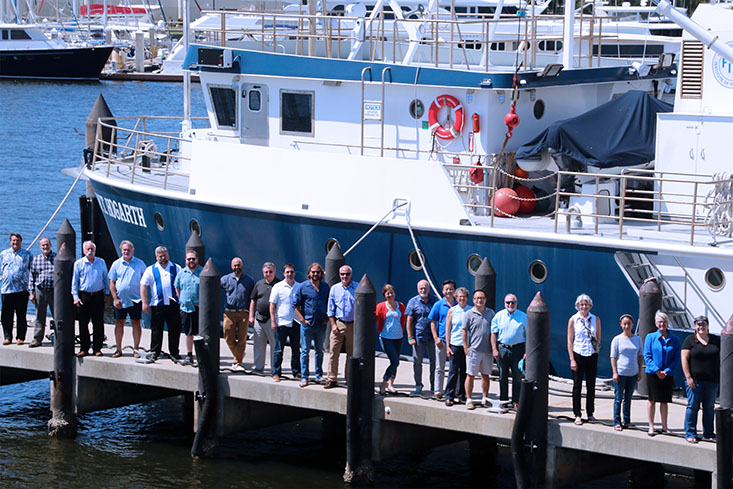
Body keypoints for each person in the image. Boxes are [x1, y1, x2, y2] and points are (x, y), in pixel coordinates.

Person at [681, 315, 719, 443]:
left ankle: (708, 433)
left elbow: (721, 358)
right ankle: (690, 433)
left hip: (712, 381)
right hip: (695, 381)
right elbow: (684, 359)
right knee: (693, 406)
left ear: (707, 326)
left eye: (703, 324)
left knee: (709, 407)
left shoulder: (715, 340)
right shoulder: (690, 340)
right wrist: (688, 377)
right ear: (695, 326)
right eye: (698, 324)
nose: (701, 327)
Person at [141, 246, 182, 362]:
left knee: (174, 329)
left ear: (168, 255)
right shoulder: (150, 269)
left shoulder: (176, 268)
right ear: (156, 257)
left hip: (173, 304)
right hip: (157, 304)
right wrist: (144, 302)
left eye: (165, 255)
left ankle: (174, 352)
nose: (163, 258)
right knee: (156, 329)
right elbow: (143, 285)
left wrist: (181, 299)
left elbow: (181, 284)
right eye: (160, 256)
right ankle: (155, 352)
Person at [292, 262, 330, 387]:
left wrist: (327, 319)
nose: (315, 274)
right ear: (309, 273)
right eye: (313, 272)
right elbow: (295, 305)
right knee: (305, 351)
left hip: (321, 325)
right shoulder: (303, 287)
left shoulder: (325, 287)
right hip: (307, 325)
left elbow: (330, 303)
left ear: (321, 273)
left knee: (319, 351)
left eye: (317, 272)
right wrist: (302, 320)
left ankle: (319, 375)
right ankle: (304, 376)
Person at [644, 310, 681, 436]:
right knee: (652, 400)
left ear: (667, 323)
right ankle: (651, 426)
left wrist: (667, 371)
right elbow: (647, 356)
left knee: (664, 401)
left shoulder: (674, 339)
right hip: (653, 374)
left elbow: (676, 357)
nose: (662, 324)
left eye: (664, 322)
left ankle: (665, 426)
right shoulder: (650, 337)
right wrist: (657, 371)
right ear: (656, 323)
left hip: (667, 374)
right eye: (660, 322)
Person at [567, 293, 601, 425]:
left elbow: (598, 338)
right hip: (578, 354)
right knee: (577, 386)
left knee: (591, 386)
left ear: (590, 305)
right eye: (581, 304)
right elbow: (570, 341)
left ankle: (590, 413)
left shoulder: (595, 319)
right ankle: (577, 414)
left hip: (591, 355)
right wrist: (572, 359)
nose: (584, 306)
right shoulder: (573, 320)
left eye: (586, 304)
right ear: (578, 305)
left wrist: (596, 353)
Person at [108, 240, 146, 358]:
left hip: (136, 299)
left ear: (132, 251)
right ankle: (118, 349)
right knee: (119, 323)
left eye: (128, 250)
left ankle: (136, 349)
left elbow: (145, 281)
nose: (126, 252)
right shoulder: (116, 264)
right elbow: (112, 282)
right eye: (124, 250)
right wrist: (115, 298)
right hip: (121, 299)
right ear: (121, 251)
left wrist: (145, 299)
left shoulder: (140, 264)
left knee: (136, 323)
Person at [72, 241, 109, 357]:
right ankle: (84, 348)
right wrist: (75, 297)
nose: (90, 251)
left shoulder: (101, 262)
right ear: (84, 251)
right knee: (83, 323)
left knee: (98, 323)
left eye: (92, 249)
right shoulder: (79, 264)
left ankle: (97, 348)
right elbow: (74, 282)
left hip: (98, 295)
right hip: (84, 296)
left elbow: (105, 279)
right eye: (88, 249)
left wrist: (107, 295)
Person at [491, 293, 526, 409]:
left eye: (513, 302)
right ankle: (503, 401)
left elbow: (529, 335)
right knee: (502, 376)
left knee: (517, 376)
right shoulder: (498, 316)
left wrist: (527, 352)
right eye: (508, 302)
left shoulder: (523, 317)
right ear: (504, 303)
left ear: (517, 303)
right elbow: (493, 334)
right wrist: (494, 349)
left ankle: (516, 401)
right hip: (502, 349)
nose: (510, 304)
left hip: (518, 349)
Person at [609, 314, 643, 431]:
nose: (627, 326)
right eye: (624, 324)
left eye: (629, 323)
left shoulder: (637, 339)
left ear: (632, 324)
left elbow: (640, 355)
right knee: (618, 398)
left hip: (632, 373)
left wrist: (639, 371)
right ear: (621, 325)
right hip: (621, 373)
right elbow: (613, 357)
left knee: (628, 398)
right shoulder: (617, 339)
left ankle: (627, 421)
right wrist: (615, 372)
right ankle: (617, 421)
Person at [462, 289, 495, 410]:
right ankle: (469, 399)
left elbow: (494, 331)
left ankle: (484, 398)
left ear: (485, 300)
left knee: (485, 375)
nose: (480, 300)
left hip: (487, 351)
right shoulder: (468, 314)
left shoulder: (491, 313)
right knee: (470, 375)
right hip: (474, 351)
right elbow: (464, 331)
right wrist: (466, 347)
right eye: (477, 298)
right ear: (474, 300)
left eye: (482, 298)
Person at [220, 257, 255, 371]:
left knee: (242, 338)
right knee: (228, 337)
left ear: (242, 266)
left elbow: (253, 299)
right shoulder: (225, 279)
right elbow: (214, 288)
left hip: (243, 313)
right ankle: (239, 355)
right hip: (229, 313)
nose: (237, 268)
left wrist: (251, 314)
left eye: (238, 265)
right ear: (231, 266)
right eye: (235, 265)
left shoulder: (249, 281)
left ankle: (238, 362)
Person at [325, 265, 357, 389]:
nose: (344, 276)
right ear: (339, 275)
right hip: (338, 323)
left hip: (353, 324)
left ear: (351, 275)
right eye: (342, 274)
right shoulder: (334, 289)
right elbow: (330, 309)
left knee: (351, 354)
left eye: (347, 274)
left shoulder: (357, 287)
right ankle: (332, 379)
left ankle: (350, 379)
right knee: (333, 352)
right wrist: (333, 325)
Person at [405, 279, 438, 395]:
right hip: (418, 337)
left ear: (429, 289)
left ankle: (434, 386)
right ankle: (418, 385)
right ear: (418, 289)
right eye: (421, 288)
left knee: (434, 363)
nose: (423, 290)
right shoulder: (413, 302)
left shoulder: (435, 301)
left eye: (425, 288)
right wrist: (410, 337)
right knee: (417, 362)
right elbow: (409, 320)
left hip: (433, 338)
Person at [269, 264, 300, 382]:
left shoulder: (299, 286)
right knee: (278, 349)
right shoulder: (277, 287)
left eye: (291, 272)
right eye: (287, 272)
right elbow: (272, 305)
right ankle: (276, 372)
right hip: (281, 322)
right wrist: (273, 321)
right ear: (283, 274)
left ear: (295, 273)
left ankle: (296, 372)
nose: (290, 274)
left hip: (295, 322)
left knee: (296, 349)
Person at [0, 233, 32, 345]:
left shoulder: (27, 254)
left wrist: (31, 290)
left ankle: (20, 338)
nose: (15, 242)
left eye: (17, 240)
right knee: (6, 316)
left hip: (22, 290)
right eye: (13, 240)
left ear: (21, 242)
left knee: (21, 315)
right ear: (10, 241)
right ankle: (8, 337)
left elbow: (31, 272)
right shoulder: (3, 254)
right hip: (6, 290)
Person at [249, 262, 280, 374]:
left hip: (273, 321)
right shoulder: (259, 284)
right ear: (263, 272)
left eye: (270, 272)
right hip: (259, 319)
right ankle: (258, 367)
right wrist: (251, 316)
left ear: (274, 272)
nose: (268, 274)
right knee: (258, 345)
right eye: (266, 272)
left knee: (274, 345)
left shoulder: (279, 284)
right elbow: (253, 300)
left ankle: (274, 369)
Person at [428, 280, 457, 399]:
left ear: (454, 290)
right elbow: (432, 322)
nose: (448, 291)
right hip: (442, 341)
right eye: (446, 289)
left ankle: (452, 390)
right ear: (443, 291)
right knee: (439, 367)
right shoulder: (438, 305)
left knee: (454, 369)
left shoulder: (459, 305)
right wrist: (436, 338)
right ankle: (438, 390)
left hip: (455, 341)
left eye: (451, 289)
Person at [375, 284, 405, 395]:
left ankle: (391, 384)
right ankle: (383, 382)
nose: (390, 295)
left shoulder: (400, 305)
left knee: (395, 362)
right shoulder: (381, 306)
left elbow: (403, 319)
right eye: (388, 293)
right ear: (384, 295)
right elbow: (376, 318)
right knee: (395, 361)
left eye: (392, 292)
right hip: (386, 338)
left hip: (398, 337)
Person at [174, 250, 202, 365]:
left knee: (199, 334)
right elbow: (177, 287)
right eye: (189, 259)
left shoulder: (202, 272)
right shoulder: (182, 273)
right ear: (185, 260)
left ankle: (201, 356)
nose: (191, 261)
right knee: (188, 333)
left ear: (197, 260)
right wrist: (181, 299)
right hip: (186, 308)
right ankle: (189, 355)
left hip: (198, 307)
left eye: (193, 259)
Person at [444, 287, 471, 406]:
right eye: (459, 296)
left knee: (465, 372)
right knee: (453, 371)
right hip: (455, 344)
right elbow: (448, 329)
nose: (462, 298)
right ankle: (449, 395)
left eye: (464, 296)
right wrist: (448, 346)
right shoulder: (452, 310)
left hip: (468, 346)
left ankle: (462, 395)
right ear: (456, 298)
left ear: (467, 298)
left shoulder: (471, 310)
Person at [28, 237, 55, 348]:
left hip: (54, 291)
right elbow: (31, 277)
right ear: (40, 247)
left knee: (57, 315)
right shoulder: (36, 259)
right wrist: (31, 293)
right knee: (40, 315)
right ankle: (37, 339)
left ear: (51, 245)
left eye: (47, 244)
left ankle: (58, 337)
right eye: (43, 245)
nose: (45, 247)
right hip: (40, 291)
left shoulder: (57, 258)